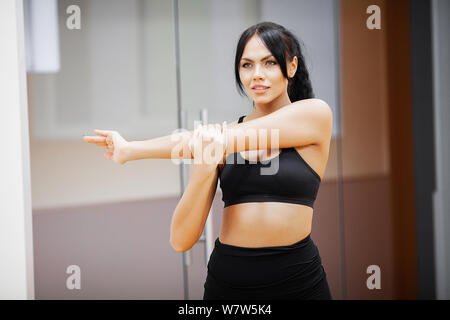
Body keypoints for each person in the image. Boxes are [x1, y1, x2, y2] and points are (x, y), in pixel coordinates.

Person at [83, 21, 333, 300]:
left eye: (270, 63)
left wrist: (135, 150)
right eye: (247, 65)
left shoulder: (315, 114)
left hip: (298, 280)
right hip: (228, 283)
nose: (256, 75)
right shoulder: (218, 139)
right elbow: (180, 241)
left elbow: (236, 137)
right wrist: (201, 168)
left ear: (292, 66)